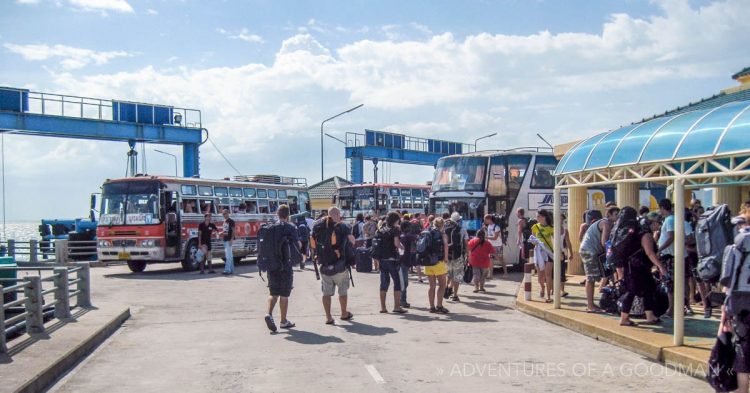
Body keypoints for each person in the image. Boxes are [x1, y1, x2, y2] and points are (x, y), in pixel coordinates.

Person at [719, 200, 750, 391]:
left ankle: (742, 389)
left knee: (744, 348)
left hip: (742, 301)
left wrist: (725, 309)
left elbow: (727, 279)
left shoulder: (739, 241)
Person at [619, 212, 669, 326]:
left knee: (649, 289)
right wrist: (661, 267)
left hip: (638, 267)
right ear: (652, 222)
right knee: (631, 291)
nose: (660, 225)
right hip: (636, 267)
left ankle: (650, 316)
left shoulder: (641, 232)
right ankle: (624, 318)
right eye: (658, 223)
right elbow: (650, 253)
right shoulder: (646, 234)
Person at [311, 207, 355, 325]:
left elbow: (313, 244)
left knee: (326, 293)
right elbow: (352, 241)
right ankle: (344, 313)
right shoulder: (343, 226)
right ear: (338, 214)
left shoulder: (318, 226)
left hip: (324, 264)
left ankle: (328, 317)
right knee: (343, 291)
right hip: (340, 264)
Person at [264, 204, 300, 332]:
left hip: (272, 265)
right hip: (285, 265)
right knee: (284, 295)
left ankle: (268, 314)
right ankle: (283, 321)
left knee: (273, 293)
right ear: (288, 215)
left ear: (277, 214)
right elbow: (297, 245)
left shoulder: (270, 228)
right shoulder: (291, 228)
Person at [579, 207, 620, 312]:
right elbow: (604, 242)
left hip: (592, 251)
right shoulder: (606, 223)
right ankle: (590, 305)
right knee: (591, 278)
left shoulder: (611, 224)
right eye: (616, 214)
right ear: (609, 215)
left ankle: (592, 304)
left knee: (596, 276)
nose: (618, 216)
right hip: (589, 251)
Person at [656, 198, 691, 317]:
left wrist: (659, 249)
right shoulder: (678, 220)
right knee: (682, 282)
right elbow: (687, 237)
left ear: (662, 208)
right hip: (678, 255)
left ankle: (671, 309)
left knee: (670, 283)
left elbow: (671, 236)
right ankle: (683, 306)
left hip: (670, 256)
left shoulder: (669, 220)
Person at [376, 211, 407, 313]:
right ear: (396, 220)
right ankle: (397, 307)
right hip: (392, 259)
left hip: (382, 259)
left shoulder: (381, 229)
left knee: (383, 283)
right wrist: (402, 247)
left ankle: (383, 307)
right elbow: (396, 243)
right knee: (397, 282)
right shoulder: (395, 230)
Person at [425, 217, 450, 313]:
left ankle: (431, 307)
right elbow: (446, 246)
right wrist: (446, 258)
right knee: (442, 285)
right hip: (439, 262)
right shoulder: (443, 234)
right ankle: (439, 306)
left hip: (428, 262)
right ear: (443, 225)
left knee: (431, 286)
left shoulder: (427, 232)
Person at [531, 209, 555, 302]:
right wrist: (535, 242)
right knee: (540, 277)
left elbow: (555, 240)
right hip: (538, 252)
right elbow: (532, 239)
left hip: (548, 252)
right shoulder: (535, 227)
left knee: (548, 275)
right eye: (536, 216)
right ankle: (542, 287)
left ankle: (549, 296)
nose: (536, 218)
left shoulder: (551, 228)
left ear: (544, 217)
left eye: (538, 216)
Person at [444, 212, 467, 301]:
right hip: (458, 255)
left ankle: (446, 288)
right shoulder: (462, 229)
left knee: (449, 274)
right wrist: (467, 254)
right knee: (457, 275)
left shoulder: (445, 228)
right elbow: (465, 243)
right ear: (458, 220)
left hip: (447, 255)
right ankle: (455, 295)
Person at [399, 220, 418, 308]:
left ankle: (401, 300)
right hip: (403, 261)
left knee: (403, 282)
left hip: (401, 261)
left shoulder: (401, 235)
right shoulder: (407, 236)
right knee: (404, 282)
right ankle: (402, 300)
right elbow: (417, 237)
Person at [221, 208, 236, 275]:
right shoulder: (224, 221)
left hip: (229, 239)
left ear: (228, 213)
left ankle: (227, 270)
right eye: (223, 214)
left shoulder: (231, 221)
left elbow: (233, 231)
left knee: (228, 256)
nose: (224, 215)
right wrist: (221, 233)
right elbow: (225, 230)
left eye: (225, 213)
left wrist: (231, 239)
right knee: (230, 255)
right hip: (225, 239)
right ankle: (231, 269)